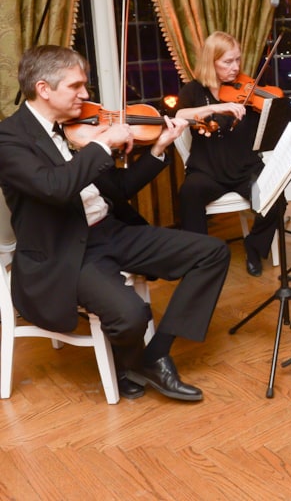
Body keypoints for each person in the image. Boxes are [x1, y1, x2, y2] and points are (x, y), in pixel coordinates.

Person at [0, 45, 231, 401]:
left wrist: (158, 150)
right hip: (65, 250)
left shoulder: (75, 130)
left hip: (110, 230)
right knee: (132, 314)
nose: (86, 95)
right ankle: (134, 359)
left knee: (212, 253)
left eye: (85, 86)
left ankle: (153, 357)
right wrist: (102, 144)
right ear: (44, 89)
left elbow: (119, 189)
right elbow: (55, 187)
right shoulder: (10, 139)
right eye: (75, 87)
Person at [174, 31, 285, 277]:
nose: (235, 68)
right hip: (208, 170)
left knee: (276, 198)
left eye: (237, 60)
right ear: (210, 62)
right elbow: (180, 117)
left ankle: (254, 246)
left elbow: (268, 127)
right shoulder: (193, 91)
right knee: (189, 193)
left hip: (245, 168)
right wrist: (217, 107)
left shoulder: (247, 90)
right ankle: (200, 258)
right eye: (227, 62)